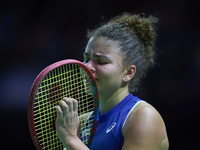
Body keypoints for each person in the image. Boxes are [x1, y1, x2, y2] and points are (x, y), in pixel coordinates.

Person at [55, 12, 169, 150]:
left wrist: (71, 140)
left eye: (101, 61)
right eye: (86, 59)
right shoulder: (80, 123)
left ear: (128, 73)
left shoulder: (143, 117)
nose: (88, 67)